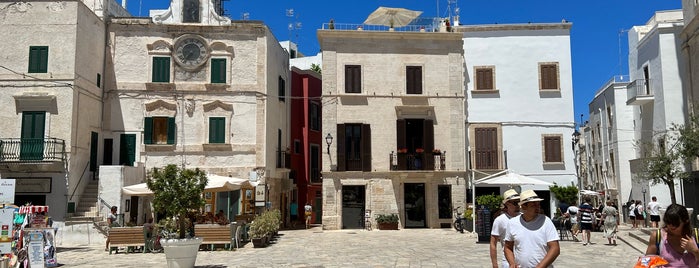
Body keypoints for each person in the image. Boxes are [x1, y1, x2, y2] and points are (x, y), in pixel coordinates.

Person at [504, 190, 560, 268]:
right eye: (533, 205)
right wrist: (512, 263)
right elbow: (507, 247)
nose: (537, 207)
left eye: (538, 204)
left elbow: (555, 248)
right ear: (523, 206)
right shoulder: (512, 223)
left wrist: (540, 266)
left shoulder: (546, 221)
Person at [490, 189, 520, 268]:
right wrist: (495, 265)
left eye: (519, 202)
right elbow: (493, 243)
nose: (518, 205)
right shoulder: (500, 220)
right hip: (507, 262)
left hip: (523, 262)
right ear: (507, 204)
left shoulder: (524, 217)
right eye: (515, 203)